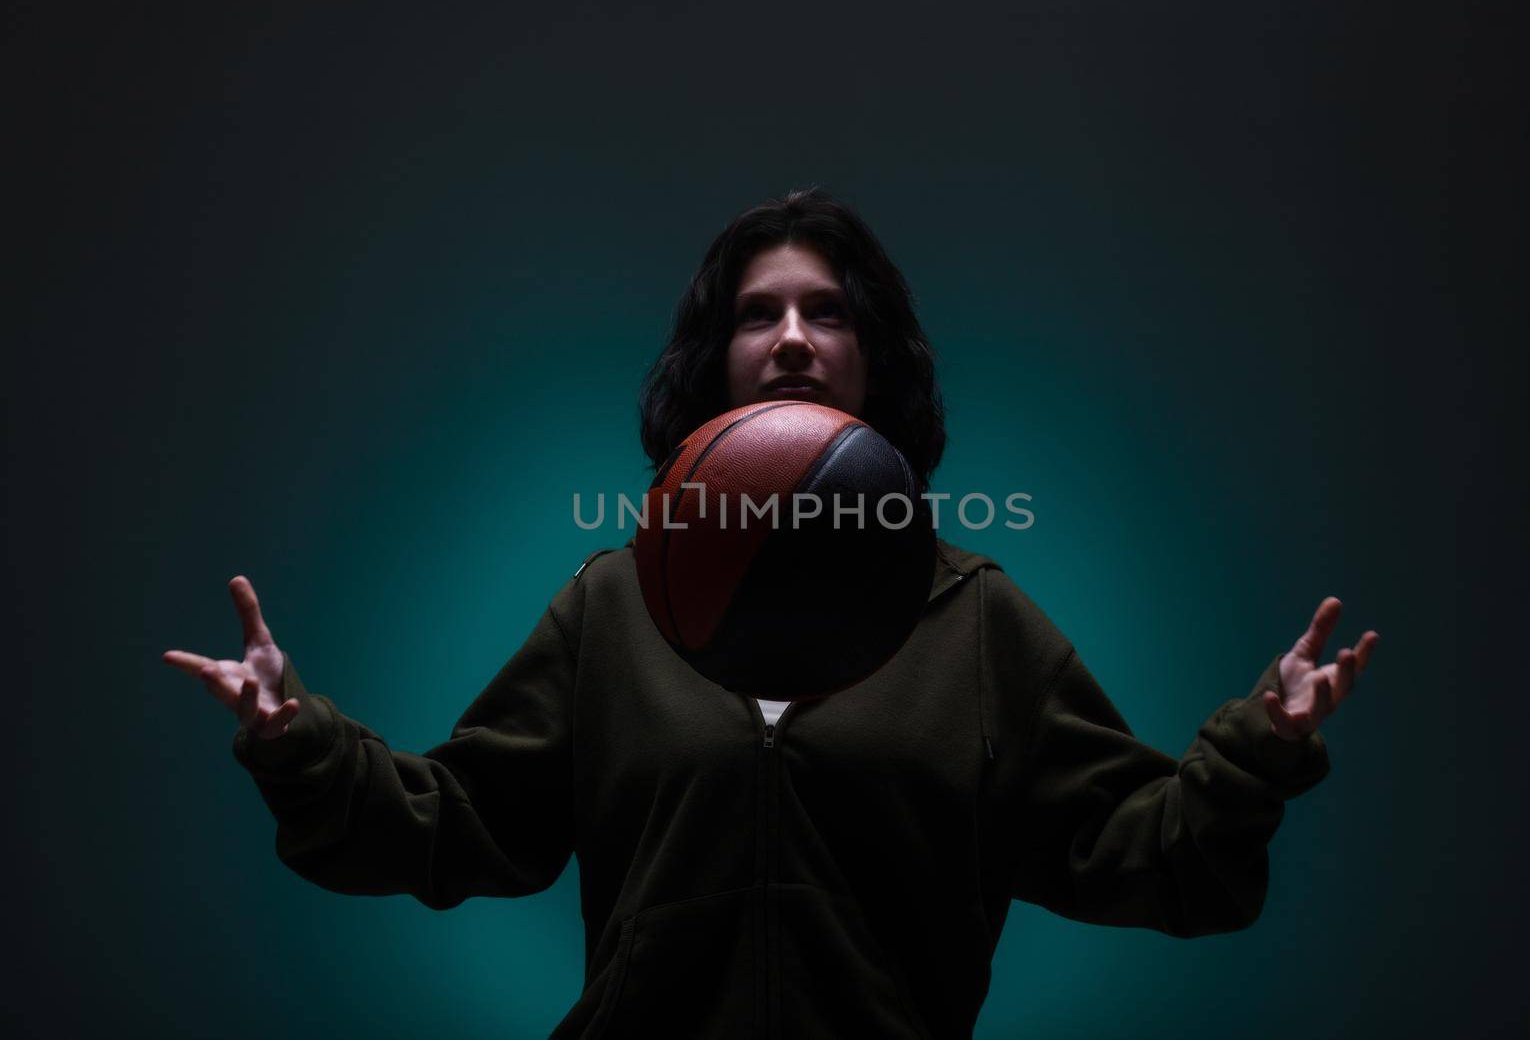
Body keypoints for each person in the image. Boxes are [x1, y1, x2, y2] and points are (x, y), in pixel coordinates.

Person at [163, 188, 1379, 1039]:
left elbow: (1143, 851)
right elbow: (464, 823)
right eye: (758, 311)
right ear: (715, 357)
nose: (793, 336)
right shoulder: (614, 601)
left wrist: (1257, 752)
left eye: (828, 309)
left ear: (873, 358)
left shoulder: (973, 615)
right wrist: (298, 741)